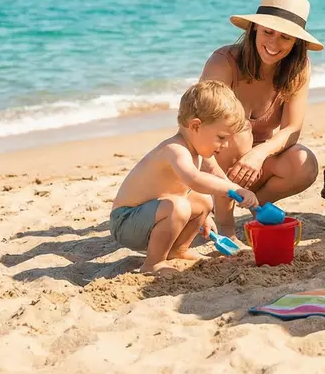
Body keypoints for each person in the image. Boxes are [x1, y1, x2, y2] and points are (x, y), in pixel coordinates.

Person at [199, 0, 322, 238]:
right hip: (209, 168)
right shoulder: (224, 62)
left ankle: (253, 208)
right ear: (254, 29)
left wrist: (259, 153)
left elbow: (292, 129)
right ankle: (225, 225)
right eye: (268, 32)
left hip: (250, 168)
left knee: (304, 164)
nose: (274, 44)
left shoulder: (298, 68)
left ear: (296, 41)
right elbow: (199, 131)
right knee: (238, 129)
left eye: (285, 37)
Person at [110, 81, 260, 274]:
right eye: (221, 137)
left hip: (154, 213)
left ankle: (178, 251)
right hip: (126, 221)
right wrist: (232, 190)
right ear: (195, 126)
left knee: (204, 201)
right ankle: (153, 264)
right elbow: (193, 179)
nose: (225, 145)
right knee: (179, 206)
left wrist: (206, 213)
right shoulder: (175, 150)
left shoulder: (197, 151)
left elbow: (216, 176)